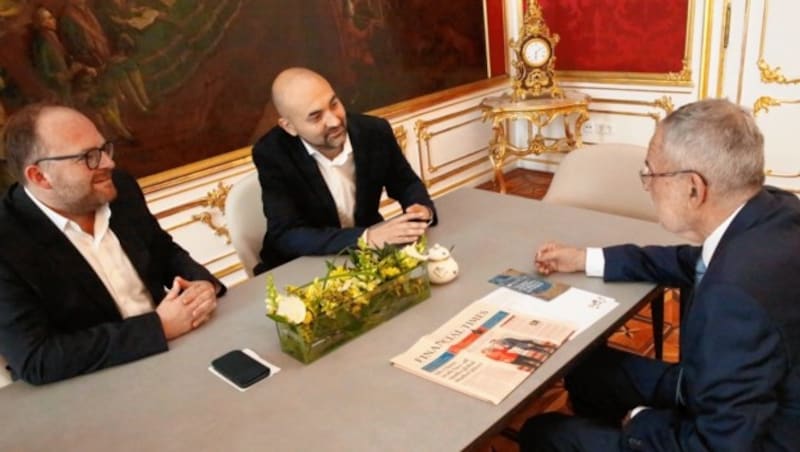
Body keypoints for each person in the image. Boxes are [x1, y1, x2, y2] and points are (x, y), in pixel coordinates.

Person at [521, 99, 800, 451]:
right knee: (587, 370)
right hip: (735, 387)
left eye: (650, 173)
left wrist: (640, 421)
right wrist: (584, 258)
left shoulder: (733, 298)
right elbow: (689, 261)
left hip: (759, 434)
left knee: (542, 432)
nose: (647, 185)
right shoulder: (773, 210)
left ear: (693, 188)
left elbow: (718, 445)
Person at [0, 104, 224, 385]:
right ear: (40, 177)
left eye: (104, 148)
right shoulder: (7, 242)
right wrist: (158, 328)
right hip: (90, 386)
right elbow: (37, 359)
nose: (108, 163)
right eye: (88, 157)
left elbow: (163, 251)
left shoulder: (121, 188)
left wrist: (201, 284)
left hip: (175, 356)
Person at [252, 67, 436, 273]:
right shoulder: (272, 153)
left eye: (334, 104)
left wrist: (420, 207)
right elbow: (286, 234)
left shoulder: (374, 132)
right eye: (315, 116)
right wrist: (364, 238)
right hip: (305, 265)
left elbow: (406, 183)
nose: (335, 120)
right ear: (289, 127)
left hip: (370, 258)